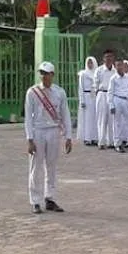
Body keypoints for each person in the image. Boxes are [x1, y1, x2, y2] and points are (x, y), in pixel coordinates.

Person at [24, 62, 73, 214]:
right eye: (42, 73)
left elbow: (65, 115)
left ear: (52, 75)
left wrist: (69, 137)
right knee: (36, 167)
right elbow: (28, 117)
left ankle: (50, 198)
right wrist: (30, 139)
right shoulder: (33, 92)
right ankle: (35, 201)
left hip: (53, 131)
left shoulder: (59, 92)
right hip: (38, 131)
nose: (44, 76)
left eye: (46, 73)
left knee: (51, 166)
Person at [109, 60, 128, 152]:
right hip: (117, 100)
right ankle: (117, 144)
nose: (119, 67)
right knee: (117, 123)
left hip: (126, 100)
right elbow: (110, 92)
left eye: (121, 65)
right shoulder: (113, 78)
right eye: (117, 65)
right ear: (115, 67)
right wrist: (111, 104)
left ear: (124, 66)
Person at [94, 51, 116, 150]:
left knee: (112, 119)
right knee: (102, 119)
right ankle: (101, 142)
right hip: (102, 93)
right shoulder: (99, 70)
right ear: (103, 59)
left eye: (110, 57)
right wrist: (98, 92)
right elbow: (95, 84)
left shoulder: (115, 71)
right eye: (107, 57)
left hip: (112, 95)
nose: (109, 59)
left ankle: (111, 141)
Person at [76, 56, 99, 146]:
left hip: (94, 96)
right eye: (88, 63)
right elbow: (80, 88)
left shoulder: (96, 73)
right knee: (87, 118)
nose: (90, 65)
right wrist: (82, 100)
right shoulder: (83, 74)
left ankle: (94, 137)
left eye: (91, 63)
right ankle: (87, 138)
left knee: (95, 117)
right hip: (86, 96)